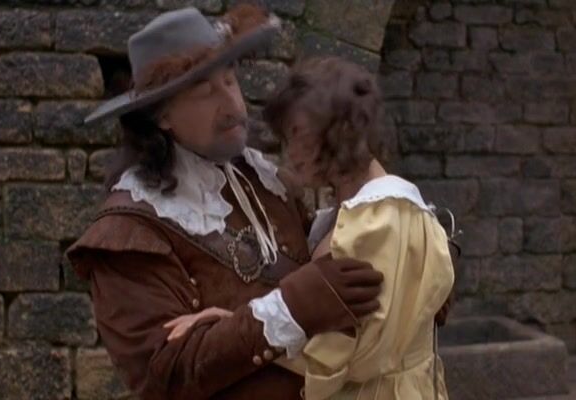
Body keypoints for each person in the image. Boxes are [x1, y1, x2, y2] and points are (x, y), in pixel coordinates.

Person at [66, 5, 385, 400]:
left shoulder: (266, 182)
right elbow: (163, 373)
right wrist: (291, 307)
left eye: (231, 81)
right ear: (162, 116)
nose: (233, 105)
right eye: (205, 91)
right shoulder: (129, 231)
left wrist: (408, 243)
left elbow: (338, 276)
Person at [167, 57, 456, 399]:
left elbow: (347, 357)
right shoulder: (357, 213)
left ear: (340, 130)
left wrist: (235, 328)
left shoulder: (379, 222)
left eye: (298, 135)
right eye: (286, 137)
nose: (290, 153)